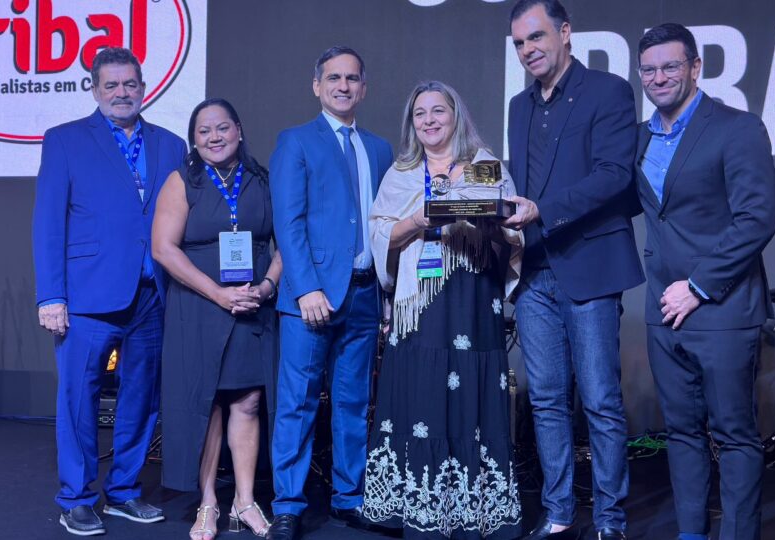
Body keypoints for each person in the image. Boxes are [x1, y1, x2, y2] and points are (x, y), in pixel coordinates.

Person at [502, 2, 644, 539]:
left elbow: (613, 175)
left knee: (601, 400)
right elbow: (520, 186)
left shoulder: (607, 91)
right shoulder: (518, 105)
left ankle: (610, 521)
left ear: (565, 33)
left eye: (536, 37)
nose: (528, 50)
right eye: (519, 43)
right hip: (534, 272)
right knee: (545, 400)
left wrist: (543, 210)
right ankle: (559, 512)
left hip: (590, 265)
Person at [32, 47, 186, 536]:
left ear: (144, 87)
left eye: (130, 84)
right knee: (79, 400)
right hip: (87, 296)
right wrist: (50, 296)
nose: (122, 93)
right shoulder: (64, 140)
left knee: (142, 399)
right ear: (95, 89)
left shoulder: (171, 144)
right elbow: (48, 222)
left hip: (152, 294)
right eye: (111, 85)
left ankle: (123, 491)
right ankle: (77, 498)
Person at [362, 80, 524, 539]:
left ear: (456, 116)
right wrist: (419, 218)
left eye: (438, 111)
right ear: (411, 123)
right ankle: (419, 509)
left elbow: (511, 232)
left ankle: (476, 512)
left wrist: (490, 217)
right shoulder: (401, 173)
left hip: (472, 296)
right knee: (421, 395)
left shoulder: (485, 165)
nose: (429, 120)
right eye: (420, 114)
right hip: (420, 302)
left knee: (471, 392)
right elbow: (381, 235)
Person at [633, 24, 775, 540]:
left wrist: (696, 287)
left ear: (695, 67)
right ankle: (691, 533)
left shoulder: (738, 128)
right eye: (648, 70)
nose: (658, 78)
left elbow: (756, 219)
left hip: (723, 309)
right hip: (662, 309)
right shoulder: (640, 136)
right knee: (681, 434)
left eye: (670, 66)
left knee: (734, 435)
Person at [266, 45, 394, 540]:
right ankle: (287, 505)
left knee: (353, 402)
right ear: (316, 86)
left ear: (364, 88)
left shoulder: (379, 149)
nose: (343, 86)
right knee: (297, 402)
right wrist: (305, 290)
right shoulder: (295, 141)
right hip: (311, 299)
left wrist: (386, 294)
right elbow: (288, 222)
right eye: (334, 78)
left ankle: (349, 498)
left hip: (364, 295)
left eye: (352, 78)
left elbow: (383, 227)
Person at [152, 98, 282, 539]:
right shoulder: (181, 181)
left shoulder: (262, 179)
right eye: (203, 131)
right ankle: (207, 502)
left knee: (248, 401)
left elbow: (285, 243)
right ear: (194, 139)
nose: (214, 137)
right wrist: (219, 295)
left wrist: (266, 287)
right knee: (206, 402)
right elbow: (163, 248)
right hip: (198, 306)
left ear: (239, 130)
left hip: (253, 305)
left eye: (222, 128)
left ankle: (244, 501)